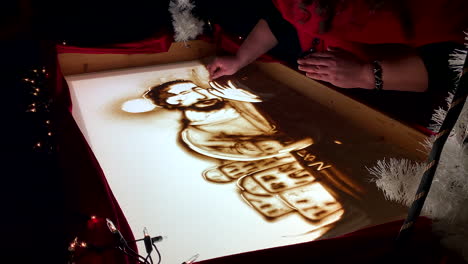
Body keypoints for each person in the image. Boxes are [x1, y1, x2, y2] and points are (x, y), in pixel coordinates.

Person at [206, 0, 467, 125]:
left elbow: (452, 64)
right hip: (318, 100)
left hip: (393, 115)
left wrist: (366, 74)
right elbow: (282, 17)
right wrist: (240, 58)